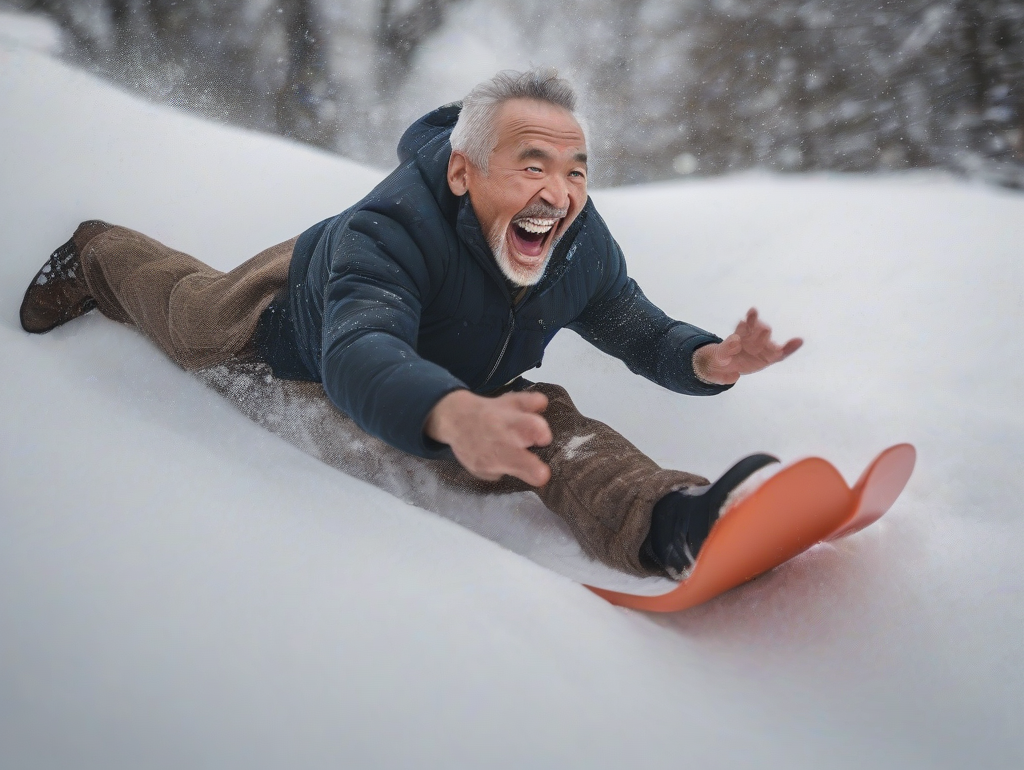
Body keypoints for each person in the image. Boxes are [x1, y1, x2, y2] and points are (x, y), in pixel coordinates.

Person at [20, 69, 802, 579]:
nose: (559, 193)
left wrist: (708, 359)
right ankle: (95, 254)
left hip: (458, 373)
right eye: (532, 164)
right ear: (463, 171)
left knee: (551, 427)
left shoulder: (578, 242)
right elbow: (360, 351)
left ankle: (676, 523)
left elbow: (636, 329)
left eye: (575, 170)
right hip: (289, 317)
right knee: (183, 313)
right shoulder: (388, 232)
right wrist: (452, 413)